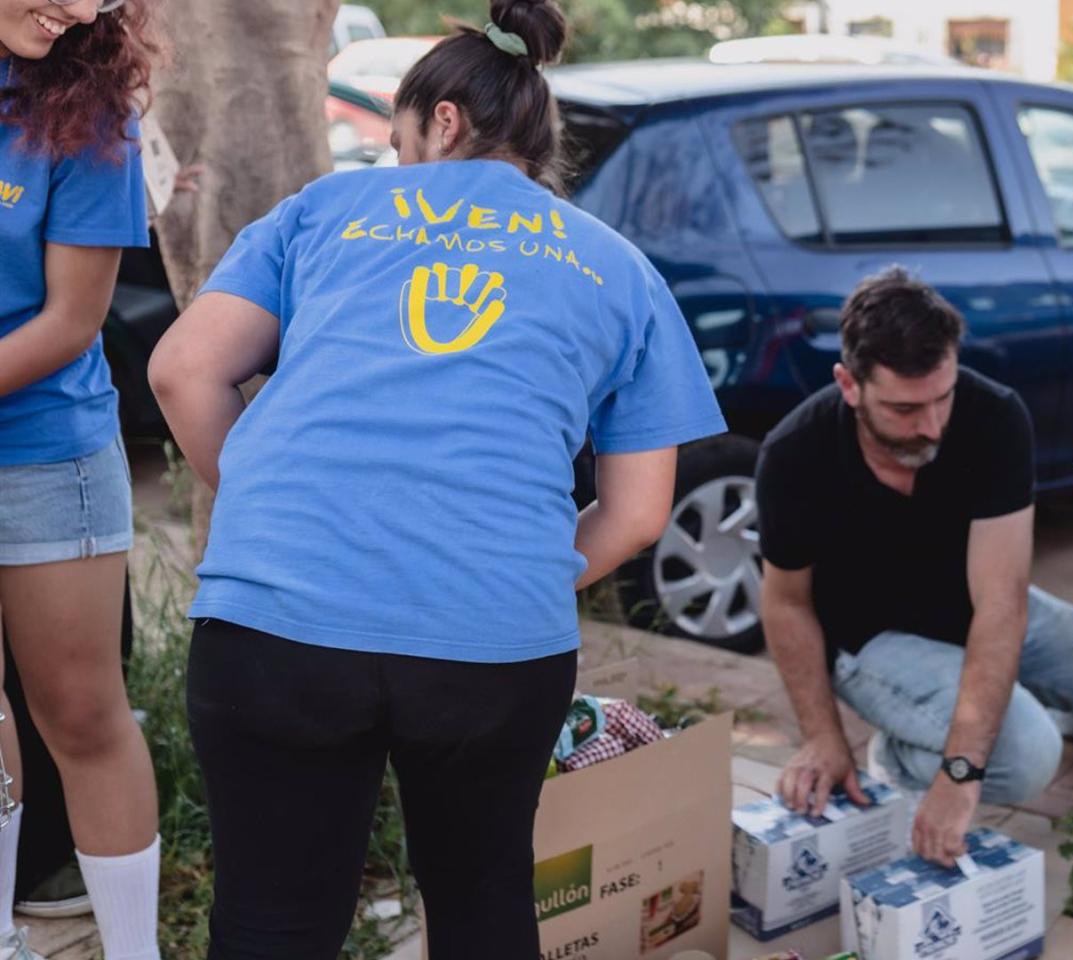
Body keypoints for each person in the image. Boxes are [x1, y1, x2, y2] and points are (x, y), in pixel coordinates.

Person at [146, 0, 726, 954]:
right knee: (482, 900)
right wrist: (515, 572)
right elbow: (637, 513)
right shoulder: (619, 270)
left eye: (402, 137)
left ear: (442, 122)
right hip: (492, 645)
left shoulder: (324, 208)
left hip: (274, 620)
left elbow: (181, 370)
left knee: (270, 921)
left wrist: (262, 510)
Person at [759, 267, 1073, 867]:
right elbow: (786, 602)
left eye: (941, 397)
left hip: (969, 605)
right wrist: (831, 739)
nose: (931, 425)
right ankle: (900, 760)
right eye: (903, 409)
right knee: (1024, 758)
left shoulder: (995, 415)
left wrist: (968, 752)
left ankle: (986, 706)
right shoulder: (794, 453)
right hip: (867, 636)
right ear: (849, 385)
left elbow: (1002, 603)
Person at [0, 0, 165, 956]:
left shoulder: (93, 99)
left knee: (83, 714)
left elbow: (69, 322)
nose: (79, 9)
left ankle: (133, 951)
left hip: (43, 450)